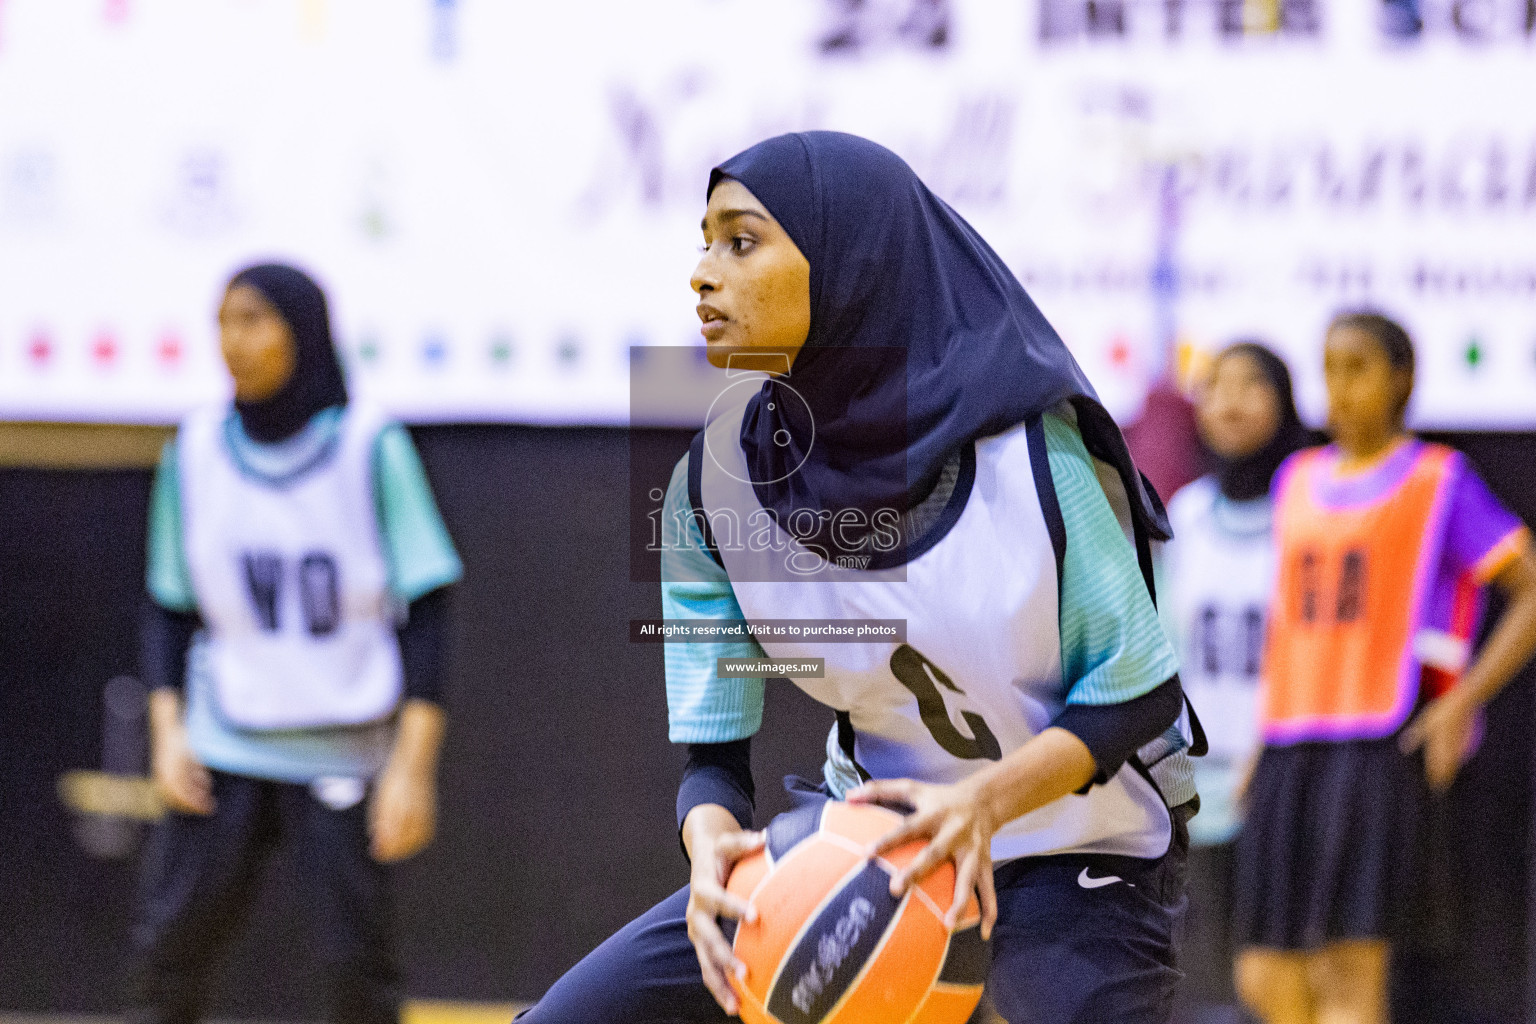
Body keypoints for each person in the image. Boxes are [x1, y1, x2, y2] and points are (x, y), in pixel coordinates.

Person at [518, 131, 1200, 1024]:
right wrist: (713, 848)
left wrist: (978, 810)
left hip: (1079, 851)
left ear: (852, 261)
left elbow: (1137, 693)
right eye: (703, 241)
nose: (702, 273)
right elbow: (715, 756)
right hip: (864, 847)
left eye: (742, 240)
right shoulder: (708, 481)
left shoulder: (1032, 450)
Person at [126, 263, 464, 1024]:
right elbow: (169, 606)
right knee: (168, 948)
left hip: (342, 747)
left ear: (302, 331)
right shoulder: (197, 448)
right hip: (226, 738)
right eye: (221, 322)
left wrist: (413, 769)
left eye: (253, 320)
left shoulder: (368, 444)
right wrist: (168, 732)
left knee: (356, 965)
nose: (231, 342)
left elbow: (430, 609)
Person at [1232, 312, 1536, 1024]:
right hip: (1288, 745)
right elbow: (1286, 623)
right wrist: (1259, 738)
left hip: (1376, 744)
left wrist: (1460, 702)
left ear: (1401, 378)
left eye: (1358, 367)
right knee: (1261, 971)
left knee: (1348, 969)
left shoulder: (1438, 479)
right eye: (1329, 368)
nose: (1339, 387)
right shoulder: (1297, 479)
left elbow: (1527, 590)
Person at [1159, 343, 1311, 1014]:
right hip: (1194, 779)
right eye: (1216, 385)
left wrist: (1276, 746)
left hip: (1285, 773)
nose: (1231, 400)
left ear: (1285, 401)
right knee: (1195, 976)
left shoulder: (1310, 511)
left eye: (1253, 384)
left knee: (1276, 973)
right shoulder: (1185, 515)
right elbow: (1160, 647)